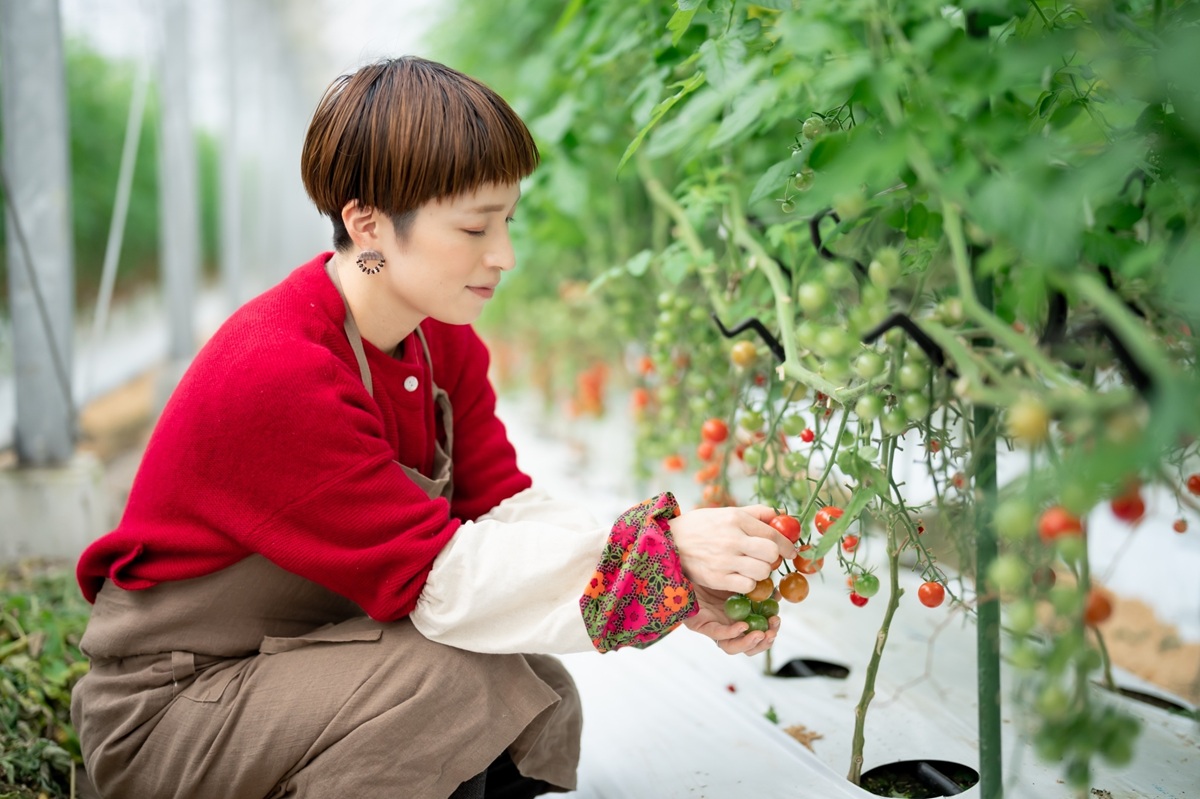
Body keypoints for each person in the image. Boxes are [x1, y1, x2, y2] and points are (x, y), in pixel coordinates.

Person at [69, 56, 793, 799]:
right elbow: (440, 583)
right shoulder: (280, 368)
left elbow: (504, 509)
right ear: (368, 224)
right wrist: (663, 551)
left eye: (507, 220)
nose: (503, 255)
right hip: (175, 710)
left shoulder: (435, 337)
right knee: (453, 677)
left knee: (531, 681)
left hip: (288, 658)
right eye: (475, 227)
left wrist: (674, 589)